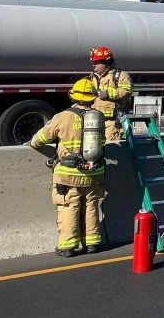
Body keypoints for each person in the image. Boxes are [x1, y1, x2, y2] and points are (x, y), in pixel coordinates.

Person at [28, 79, 106, 258]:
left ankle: (67, 246)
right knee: (91, 205)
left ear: (74, 96)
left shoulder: (63, 116)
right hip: (94, 171)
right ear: (92, 97)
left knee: (69, 206)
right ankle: (92, 243)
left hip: (69, 173)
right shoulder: (99, 117)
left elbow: (38, 140)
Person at [88, 46, 133, 142]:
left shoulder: (120, 75)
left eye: (96, 62)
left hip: (112, 123)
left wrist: (108, 93)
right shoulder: (92, 77)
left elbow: (127, 90)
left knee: (111, 148)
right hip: (95, 121)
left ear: (105, 63)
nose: (94, 65)